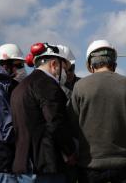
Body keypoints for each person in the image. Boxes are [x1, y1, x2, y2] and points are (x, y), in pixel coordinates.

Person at [71, 39, 126, 183]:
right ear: (114, 64)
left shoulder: (79, 87)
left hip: (90, 167)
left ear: (90, 65)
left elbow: (73, 128)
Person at [11, 43, 77, 183]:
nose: (65, 73)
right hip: (47, 167)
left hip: (23, 166)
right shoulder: (47, 84)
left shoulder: (19, 88)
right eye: (64, 68)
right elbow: (56, 122)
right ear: (54, 64)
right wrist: (70, 151)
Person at [0, 43, 32, 183]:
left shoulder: (7, 92)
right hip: (5, 170)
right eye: (18, 65)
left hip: (14, 168)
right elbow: (7, 133)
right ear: (5, 66)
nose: (22, 69)